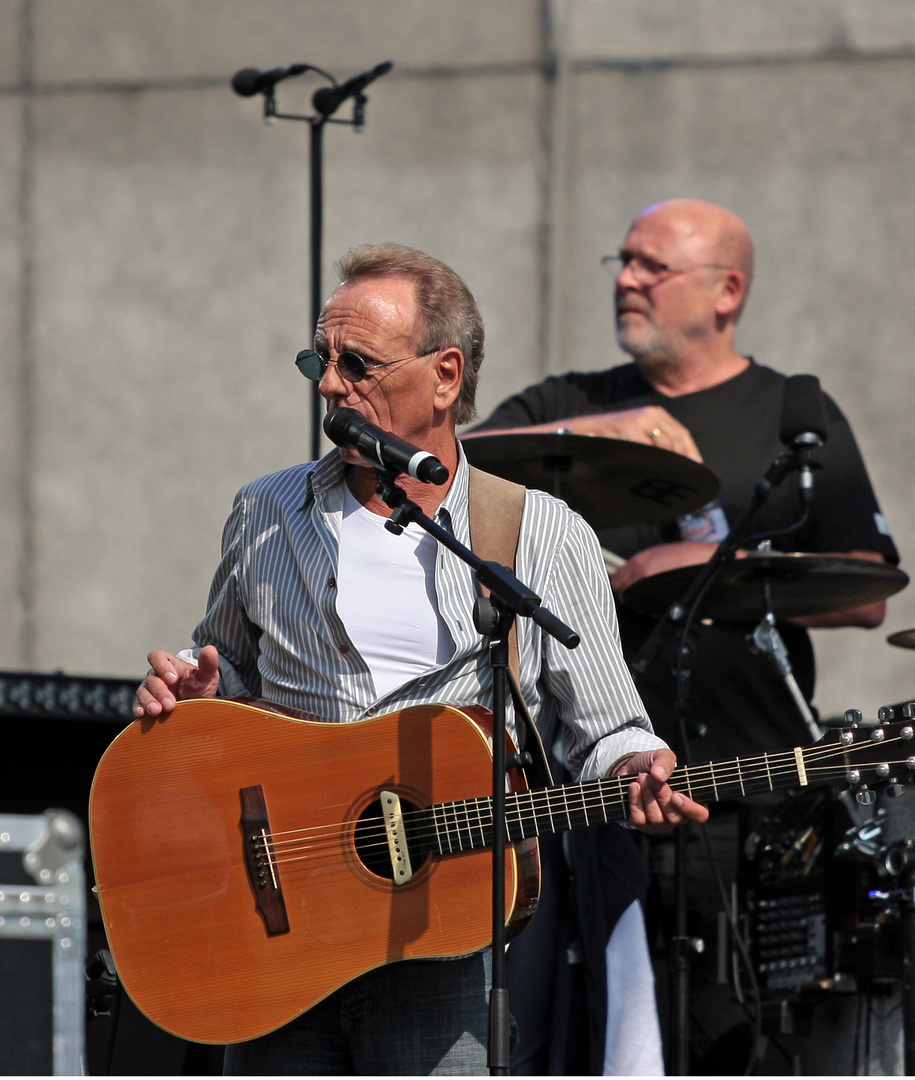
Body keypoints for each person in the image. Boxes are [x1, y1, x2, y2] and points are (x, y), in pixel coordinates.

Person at [134, 242, 708, 1076]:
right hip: (280, 930)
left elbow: (606, 726)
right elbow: (227, 678)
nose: (329, 386)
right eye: (319, 360)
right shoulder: (264, 511)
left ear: (445, 375)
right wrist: (193, 690)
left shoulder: (538, 532)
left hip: (446, 935)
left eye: (357, 364)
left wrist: (639, 764)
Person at [467, 198, 900, 1070]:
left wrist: (687, 571)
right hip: (586, 786)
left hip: (752, 782)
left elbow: (864, 586)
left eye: (650, 266)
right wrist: (597, 433)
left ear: (724, 290)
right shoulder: (571, 400)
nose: (625, 279)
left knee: (737, 1032)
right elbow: (448, 466)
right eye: (621, 261)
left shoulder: (788, 412)